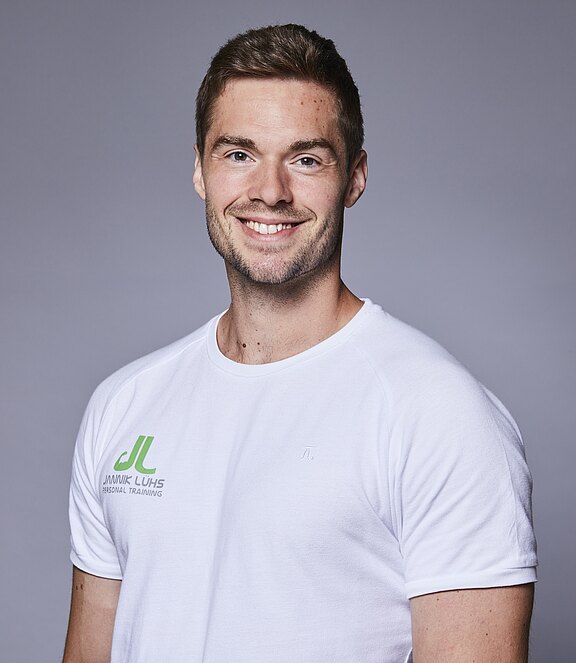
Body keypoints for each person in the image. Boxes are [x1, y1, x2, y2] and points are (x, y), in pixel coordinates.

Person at [63, 24, 537, 663]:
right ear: (200, 169)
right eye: (239, 154)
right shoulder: (123, 405)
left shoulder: (439, 415)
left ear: (355, 178)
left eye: (306, 159)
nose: (270, 190)